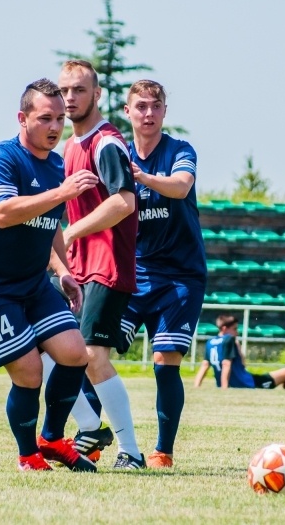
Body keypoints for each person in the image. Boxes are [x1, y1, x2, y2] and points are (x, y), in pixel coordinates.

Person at [0, 79, 99, 472]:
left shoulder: (56, 165)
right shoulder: (1, 157)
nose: (55, 127)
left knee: (74, 354)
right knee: (30, 371)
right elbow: (3, 214)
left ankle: (51, 439)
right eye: (45, 118)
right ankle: (27, 455)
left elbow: (49, 223)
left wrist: (63, 270)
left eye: (61, 119)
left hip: (33, 282)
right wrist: (62, 194)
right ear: (23, 118)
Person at [54, 59, 145, 470]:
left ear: (97, 94)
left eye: (78, 90)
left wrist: (72, 233)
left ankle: (132, 452)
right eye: (64, 91)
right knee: (55, 349)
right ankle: (91, 427)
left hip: (106, 265)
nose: (70, 97)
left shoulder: (105, 142)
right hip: (79, 267)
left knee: (92, 355)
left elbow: (124, 201)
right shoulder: (69, 145)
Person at [115, 80, 207, 468]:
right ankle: (93, 434)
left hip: (180, 277)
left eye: (155, 106)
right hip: (133, 274)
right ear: (128, 111)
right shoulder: (115, 153)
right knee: (90, 350)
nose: (148, 113)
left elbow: (182, 187)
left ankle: (162, 452)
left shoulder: (180, 151)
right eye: (141, 107)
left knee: (165, 359)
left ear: (165, 111)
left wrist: (143, 178)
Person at [194, 315, 285, 390]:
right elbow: (228, 364)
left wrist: (196, 386)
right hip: (247, 382)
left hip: (236, 382)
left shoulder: (210, 342)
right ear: (224, 328)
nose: (237, 333)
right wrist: (224, 387)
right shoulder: (229, 339)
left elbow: (204, 365)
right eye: (235, 329)